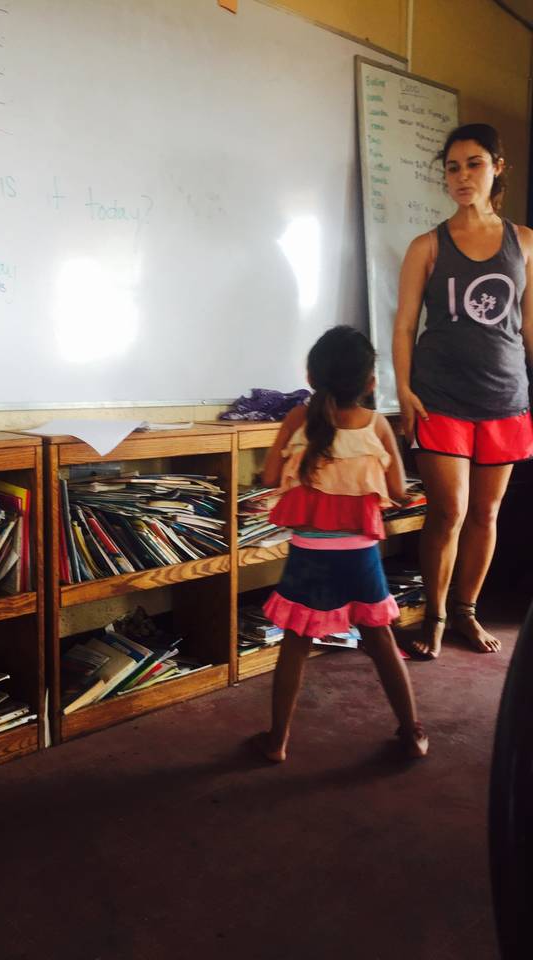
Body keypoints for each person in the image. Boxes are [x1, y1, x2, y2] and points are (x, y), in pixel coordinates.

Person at [393, 123, 533, 660]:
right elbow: (405, 325)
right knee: (449, 510)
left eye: (473, 163)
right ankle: (435, 614)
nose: (461, 176)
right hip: (440, 396)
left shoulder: (522, 242)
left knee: (486, 515)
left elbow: (526, 325)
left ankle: (467, 614)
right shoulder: (427, 245)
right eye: (452, 167)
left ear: (498, 167)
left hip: (504, 398)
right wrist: (404, 390)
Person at [258, 326, 428, 762]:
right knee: (381, 641)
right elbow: (398, 490)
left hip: (307, 556)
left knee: (294, 644)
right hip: (360, 557)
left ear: (311, 377)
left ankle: (278, 740)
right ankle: (411, 733)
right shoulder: (376, 425)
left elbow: (270, 479)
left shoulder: (298, 419)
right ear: (371, 383)